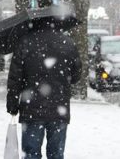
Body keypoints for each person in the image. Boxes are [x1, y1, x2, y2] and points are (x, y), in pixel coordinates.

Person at [6, 21, 82, 159]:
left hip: (31, 109)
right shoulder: (68, 43)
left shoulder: (25, 42)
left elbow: (15, 78)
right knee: (56, 154)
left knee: (31, 154)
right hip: (59, 109)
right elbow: (76, 76)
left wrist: (12, 103)